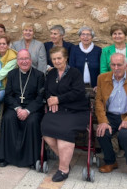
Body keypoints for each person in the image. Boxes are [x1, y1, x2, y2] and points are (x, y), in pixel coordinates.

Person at [41, 47, 90, 182]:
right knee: (47, 132)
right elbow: (46, 91)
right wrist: (51, 99)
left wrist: (59, 99)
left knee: (64, 133)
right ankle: (67, 159)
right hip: (58, 111)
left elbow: (78, 92)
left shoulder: (75, 73)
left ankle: (63, 169)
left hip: (76, 111)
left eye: (59, 58)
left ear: (65, 58)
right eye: (54, 59)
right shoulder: (51, 74)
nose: (56, 61)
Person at [95, 53, 127, 181]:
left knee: (125, 135)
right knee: (102, 132)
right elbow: (99, 102)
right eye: (113, 64)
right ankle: (110, 161)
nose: (116, 67)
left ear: (126, 66)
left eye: (119, 64)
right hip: (111, 116)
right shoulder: (102, 78)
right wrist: (103, 121)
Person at [0, 50, 45, 168]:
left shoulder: (39, 75)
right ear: (17, 61)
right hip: (15, 107)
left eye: (26, 58)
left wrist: (27, 110)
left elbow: (40, 98)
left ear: (31, 60)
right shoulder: (12, 74)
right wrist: (18, 109)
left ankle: (33, 159)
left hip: (32, 108)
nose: (24, 61)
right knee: (8, 118)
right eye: (21, 59)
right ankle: (6, 157)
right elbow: (8, 95)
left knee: (32, 121)